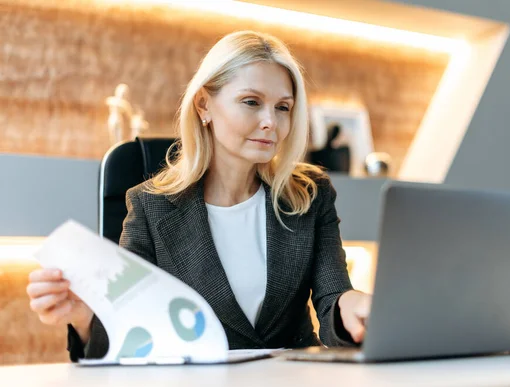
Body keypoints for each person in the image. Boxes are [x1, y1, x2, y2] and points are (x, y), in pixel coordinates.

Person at [26, 31, 372, 361]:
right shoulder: (152, 207)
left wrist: (352, 305)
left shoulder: (309, 195)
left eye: (283, 107)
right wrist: (84, 318)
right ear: (204, 105)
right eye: (251, 102)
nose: (271, 121)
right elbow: (132, 326)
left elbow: (332, 302)